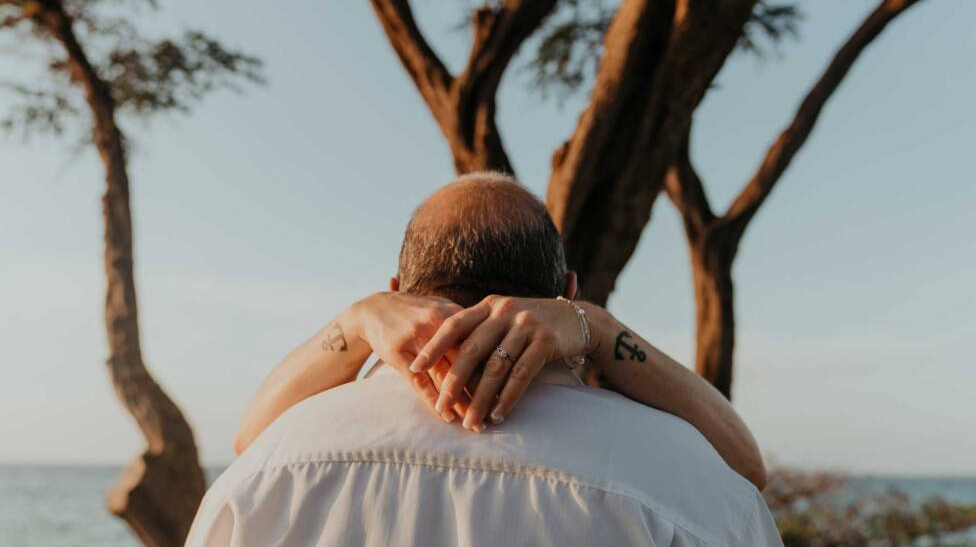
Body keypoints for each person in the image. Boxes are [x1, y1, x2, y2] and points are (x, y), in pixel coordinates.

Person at [187, 173, 781, 546]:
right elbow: (745, 472)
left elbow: (250, 440)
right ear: (567, 289)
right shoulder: (687, 482)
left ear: (397, 286)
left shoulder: (274, 469)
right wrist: (594, 327)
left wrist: (356, 321)